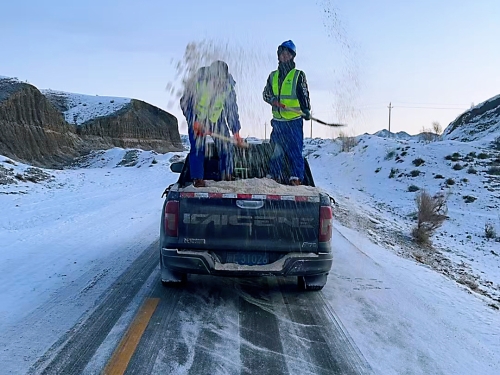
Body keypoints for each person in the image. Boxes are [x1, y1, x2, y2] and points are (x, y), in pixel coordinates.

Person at [180, 60, 243, 187]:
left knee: (226, 147)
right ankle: (198, 178)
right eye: (216, 78)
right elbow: (185, 103)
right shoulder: (198, 82)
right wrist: (194, 121)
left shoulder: (228, 87)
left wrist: (235, 131)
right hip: (198, 118)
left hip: (216, 119)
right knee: (198, 148)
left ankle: (227, 175)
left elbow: (231, 110)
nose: (218, 82)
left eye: (221, 79)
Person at [262, 40, 311, 186]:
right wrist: (272, 100)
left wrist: (306, 109)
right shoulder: (272, 76)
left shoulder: (298, 75)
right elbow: (265, 94)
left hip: (294, 121)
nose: (284, 56)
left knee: (295, 149)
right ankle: (274, 176)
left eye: (287, 53)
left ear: (292, 56)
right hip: (278, 122)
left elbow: (304, 93)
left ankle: (296, 177)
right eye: (281, 53)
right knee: (276, 150)